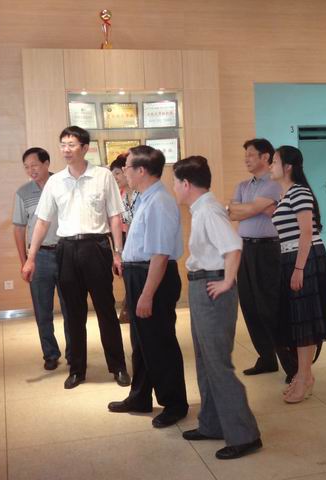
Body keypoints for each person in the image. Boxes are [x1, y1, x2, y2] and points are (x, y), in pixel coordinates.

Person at [21, 126, 131, 390]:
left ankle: (118, 366)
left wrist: (117, 252)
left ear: (84, 148)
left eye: (71, 145)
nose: (66, 150)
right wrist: (30, 258)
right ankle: (77, 369)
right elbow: (42, 222)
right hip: (67, 249)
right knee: (73, 314)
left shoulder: (103, 176)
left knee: (105, 309)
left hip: (96, 247)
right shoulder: (56, 182)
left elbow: (114, 216)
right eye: (63, 145)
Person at [173, 155, 262, 460]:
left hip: (212, 288)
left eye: (175, 182)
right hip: (202, 286)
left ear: (186, 184)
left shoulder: (209, 210)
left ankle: (245, 435)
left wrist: (227, 282)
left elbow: (233, 247)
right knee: (205, 360)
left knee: (218, 364)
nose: (174, 188)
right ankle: (212, 423)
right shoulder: (201, 209)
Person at [107, 145, 189, 429]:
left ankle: (174, 403)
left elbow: (160, 254)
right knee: (141, 343)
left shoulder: (160, 202)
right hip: (139, 274)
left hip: (153, 277)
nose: (124, 172)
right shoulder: (144, 198)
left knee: (160, 343)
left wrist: (146, 294)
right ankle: (140, 396)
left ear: (141, 170)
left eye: (127, 167)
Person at [269, 146, 326, 404]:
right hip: (291, 257)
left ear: (288, 166)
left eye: (274, 161)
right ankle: (303, 375)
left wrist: (299, 268)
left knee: (304, 319)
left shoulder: (299, 192)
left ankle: (304, 377)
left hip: (304, 258)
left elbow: (306, 232)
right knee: (297, 320)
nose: (271, 166)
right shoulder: (285, 194)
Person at [227, 138, 297, 382]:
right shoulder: (243, 185)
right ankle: (266, 358)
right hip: (245, 249)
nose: (246, 159)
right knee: (250, 305)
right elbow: (233, 213)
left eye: (251, 154)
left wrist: (247, 209)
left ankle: (292, 365)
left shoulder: (274, 183)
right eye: (245, 155)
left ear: (265, 157)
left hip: (268, 250)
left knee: (270, 306)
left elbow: (244, 210)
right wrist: (252, 208)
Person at [13, 147, 71, 371]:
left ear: (46, 163)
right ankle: (50, 353)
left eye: (34, 165)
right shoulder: (23, 193)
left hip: (66, 253)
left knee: (71, 308)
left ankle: (74, 353)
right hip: (39, 257)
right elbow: (19, 229)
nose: (31, 170)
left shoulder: (64, 184)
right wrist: (24, 261)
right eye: (26, 167)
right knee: (42, 310)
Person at [110, 153, 139, 323]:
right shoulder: (120, 195)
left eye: (117, 173)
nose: (115, 177)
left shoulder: (140, 194)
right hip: (126, 241)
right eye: (113, 174)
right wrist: (120, 252)